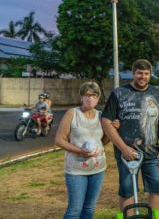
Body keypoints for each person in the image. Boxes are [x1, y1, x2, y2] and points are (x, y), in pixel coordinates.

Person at [101, 59, 159, 213]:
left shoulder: (157, 93)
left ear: (150, 74)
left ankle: (153, 217)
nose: (142, 77)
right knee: (127, 189)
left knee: (157, 188)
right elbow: (106, 121)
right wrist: (123, 148)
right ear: (133, 73)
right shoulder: (118, 93)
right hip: (127, 153)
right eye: (139, 73)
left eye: (146, 73)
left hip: (152, 153)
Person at [55, 81, 113, 219]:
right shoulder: (72, 113)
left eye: (93, 95)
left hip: (98, 169)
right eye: (86, 95)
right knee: (75, 210)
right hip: (76, 170)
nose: (90, 98)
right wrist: (79, 151)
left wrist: (112, 129)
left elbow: (103, 140)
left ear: (98, 98)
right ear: (81, 97)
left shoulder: (101, 116)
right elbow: (59, 140)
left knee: (89, 208)